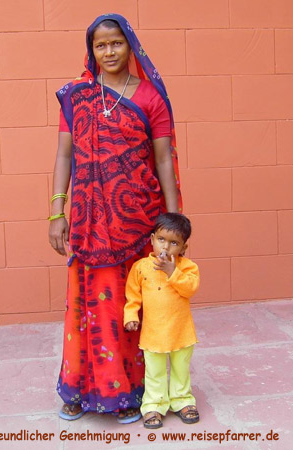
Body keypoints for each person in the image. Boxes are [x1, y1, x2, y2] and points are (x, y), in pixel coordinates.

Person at [48, 13, 182, 423]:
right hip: (89, 220)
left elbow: (163, 160)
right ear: (91, 50)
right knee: (87, 305)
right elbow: (64, 154)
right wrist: (57, 209)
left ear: (131, 46)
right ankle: (80, 387)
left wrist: (174, 223)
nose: (108, 52)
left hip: (137, 219)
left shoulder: (150, 98)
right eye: (100, 45)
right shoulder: (77, 95)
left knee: (132, 306)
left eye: (116, 43)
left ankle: (129, 391)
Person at [124, 213, 200, 429]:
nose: (166, 247)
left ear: (184, 248)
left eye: (174, 242)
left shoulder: (188, 267)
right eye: (161, 240)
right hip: (153, 333)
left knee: (180, 369)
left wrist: (172, 272)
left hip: (181, 331)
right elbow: (133, 296)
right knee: (154, 371)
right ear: (152, 240)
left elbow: (190, 289)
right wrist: (130, 316)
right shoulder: (141, 268)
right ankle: (154, 405)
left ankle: (182, 401)